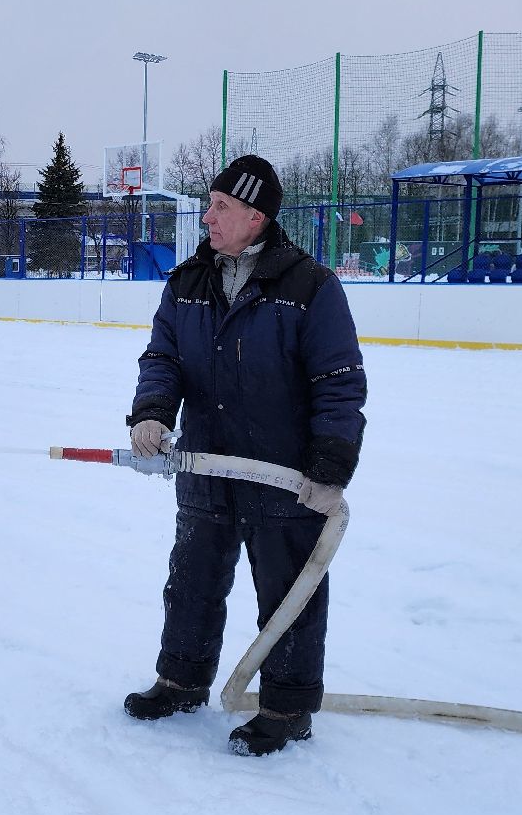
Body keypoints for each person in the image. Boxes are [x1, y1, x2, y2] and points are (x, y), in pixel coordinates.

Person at [122, 154, 368, 756]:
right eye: (210, 204)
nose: (207, 216)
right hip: (206, 466)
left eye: (221, 206)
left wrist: (331, 467)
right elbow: (163, 359)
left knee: (288, 594)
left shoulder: (310, 286)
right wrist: (152, 413)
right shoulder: (186, 284)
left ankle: (286, 708)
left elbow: (339, 380)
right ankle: (181, 680)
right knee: (192, 582)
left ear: (256, 215)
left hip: (283, 476)